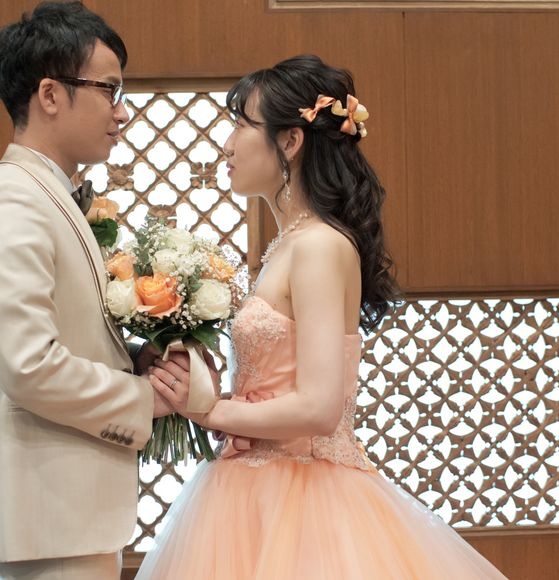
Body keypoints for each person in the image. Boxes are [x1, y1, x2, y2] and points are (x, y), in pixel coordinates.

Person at [138, 55, 507, 579]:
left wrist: (212, 410)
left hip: (304, 495)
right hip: (254, 486)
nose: (227, 144)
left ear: (290, 141)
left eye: (241, 125)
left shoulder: (319, 246)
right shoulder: (289, 245)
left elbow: (319, 407)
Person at [0, 3, 190, 578]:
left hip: (63, 518)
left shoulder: (46, 193)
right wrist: (140, 398)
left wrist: (133, 357)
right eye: (109, 90)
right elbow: (27, 364)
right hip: (47, 522)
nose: (121, 111)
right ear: (50, 94)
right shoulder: (16, 199)